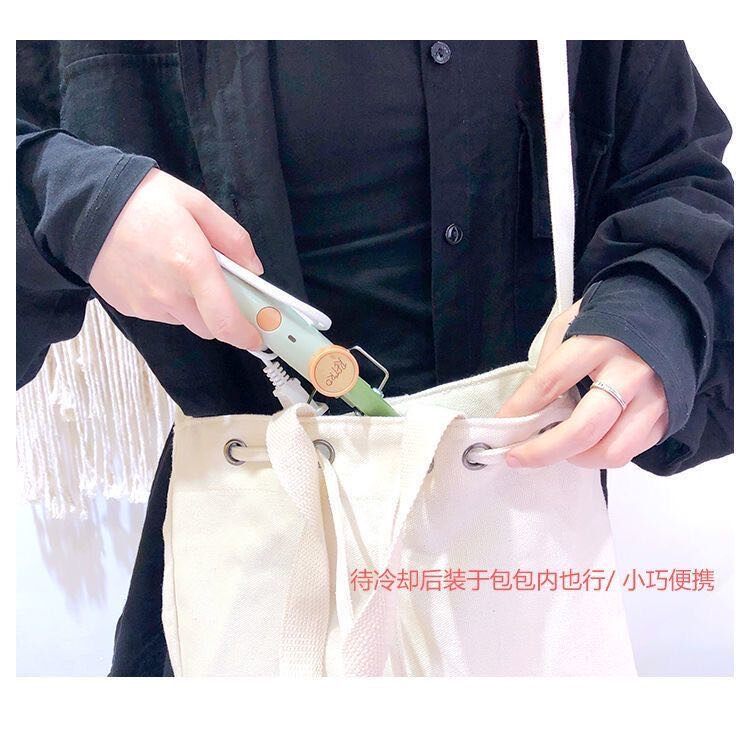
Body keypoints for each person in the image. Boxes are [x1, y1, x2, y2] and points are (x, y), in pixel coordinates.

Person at [16, 41, 734, 676]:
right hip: (255, 558)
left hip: (521, 554)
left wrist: (656, 309)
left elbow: (673, 170)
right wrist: (73, 201)